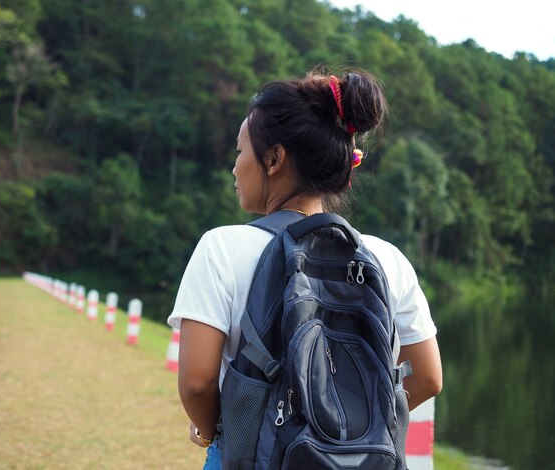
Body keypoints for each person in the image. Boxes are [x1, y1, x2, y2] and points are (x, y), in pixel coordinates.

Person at [167, 69, 443, 468]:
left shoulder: (221, 248)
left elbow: (197, 382)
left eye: (240, 150)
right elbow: (429, 377)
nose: (235, 167)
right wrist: (353, 433)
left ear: (275, 158)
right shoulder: (388, 259)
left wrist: (217, 430)